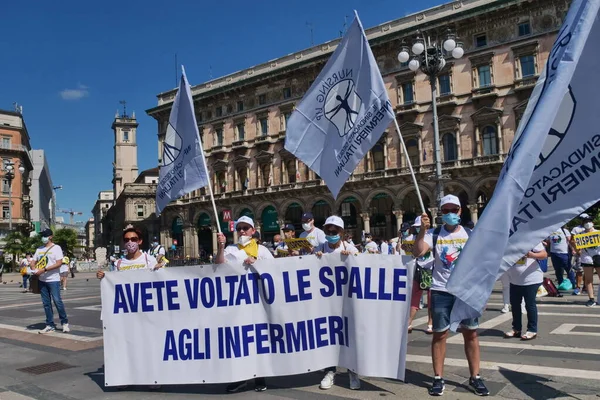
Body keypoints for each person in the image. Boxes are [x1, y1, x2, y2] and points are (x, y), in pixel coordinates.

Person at [413, 195, 489, 397]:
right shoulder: (433, 234)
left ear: (460, 211)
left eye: (453, 210)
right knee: (440, 334)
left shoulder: (471, 233)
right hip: (440, 290)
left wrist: (482, 292)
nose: (449, 214)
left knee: (471, 333)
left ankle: (475, 377)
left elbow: (482, 262)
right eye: (445, 210)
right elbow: (418, 252)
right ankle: (438, 378)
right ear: (441, 213)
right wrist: (421, 230)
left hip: (466, 291)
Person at [214, 216, 273, 393]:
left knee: (258, 339)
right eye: (239, 228)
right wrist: (221, 247)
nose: (242, 231)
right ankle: (239, 378)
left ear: (253, 230)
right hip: (237, 303)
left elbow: (275, 270)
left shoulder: (261, 250)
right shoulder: (231, 248)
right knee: (239, 341)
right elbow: (219, 265)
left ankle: (259, 377)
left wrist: (257, 263)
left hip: (258, 301)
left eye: (246, 228)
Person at [314, 216, 361, 390]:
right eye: (328, 231)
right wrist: (316, 258)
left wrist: (351, 259)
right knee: (329, 336)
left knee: (349, 336)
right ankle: (330, 371)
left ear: (341, 233)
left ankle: (353, 371)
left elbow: (361, 270)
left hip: (346, 301)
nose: (331, 234)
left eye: (334, 231)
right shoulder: (319, 248)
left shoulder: (350, 248)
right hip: (326, 302)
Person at [504, 243, 547, 340]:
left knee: (529, 304)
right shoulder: (509, 241)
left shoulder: (531, 240)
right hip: (514, 279)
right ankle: (516, 328)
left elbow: (544, 254)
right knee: (514, 304)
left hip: (531, 279)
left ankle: (532, 330)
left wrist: (532, 255)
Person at [31, 229, 70, 334]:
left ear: (50, 237)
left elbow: (58, 263)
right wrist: (34, 269)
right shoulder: (39, 249)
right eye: (42, 235)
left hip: (53, 279)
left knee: (57, 301)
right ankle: (49, 324)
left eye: (45, 235)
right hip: (42, 280)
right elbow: (33, 261)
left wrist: (44, 270)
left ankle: (64, 323)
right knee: (46, 303)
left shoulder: (56, 248)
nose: (43, 237)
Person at [405, 217, 433, 334]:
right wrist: (405, 247)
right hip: (417, 269)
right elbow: (409, 251)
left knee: (431, 299)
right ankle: (408, 322)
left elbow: (422, 250)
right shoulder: (411, 238)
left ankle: (430, 323)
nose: (418, 229)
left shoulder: (430, 236)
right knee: (414, 298)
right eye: (416, 227)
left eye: (419, 227)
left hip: (430, 269)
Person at [570, 214, 600, 307]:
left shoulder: (598, 233)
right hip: (586, 258)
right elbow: (578, 250)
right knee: (588, 279)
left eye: (589, 222)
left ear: (593, 223)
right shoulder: (580, 236)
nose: (587, 224)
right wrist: (574, 245)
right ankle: (591, 299)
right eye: (585, 222)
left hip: (598, 256)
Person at [544, 227, 575, 292]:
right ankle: (560, 283)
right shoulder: (550, 230)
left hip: (564, 253)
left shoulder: (564, 230)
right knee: (558, 269)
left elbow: (569, 241)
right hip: (554, 253)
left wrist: (573, 250)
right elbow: (548, 243)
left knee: (568, 268)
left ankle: (573, 283)